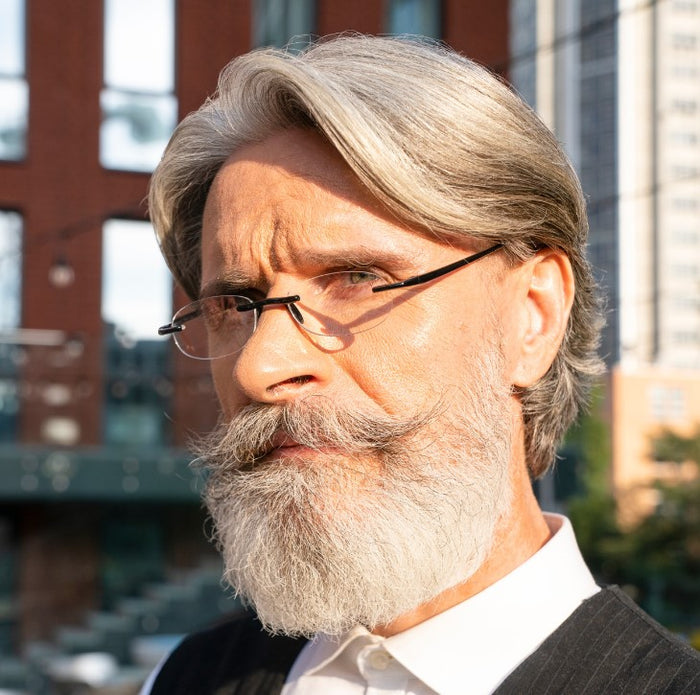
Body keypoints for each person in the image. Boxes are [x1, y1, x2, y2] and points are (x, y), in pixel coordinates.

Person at [143, 34, 700, 694]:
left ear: (533, 316)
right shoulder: (186, 678)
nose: (259, 365)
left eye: (356, 278)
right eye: (236, 304)